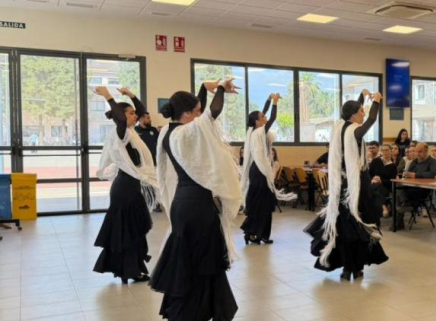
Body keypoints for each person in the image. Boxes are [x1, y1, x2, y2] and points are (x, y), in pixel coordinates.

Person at [150, 79, 243, 321]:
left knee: (190, 258)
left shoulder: (168, 133)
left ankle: (197, 309)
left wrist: (203, 87)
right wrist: (221, 88)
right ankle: (197, 310)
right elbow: (211, 114)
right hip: (198, 207)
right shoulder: (186, 132)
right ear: (189, 113)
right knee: (203, 259)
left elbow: (201, 116)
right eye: (197, 111)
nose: (200, 115)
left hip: (183, 203)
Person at [305, 90, 387, 281]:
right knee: (356, 226)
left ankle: (349, 268)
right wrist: (376, 102)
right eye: (361, 111)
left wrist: (360, 96)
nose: (363, 113)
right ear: (353, 114)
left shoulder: (340, 127)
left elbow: (349, 113)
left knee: (346, 227)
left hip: (343, 185)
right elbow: (371, 120)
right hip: (355, 187)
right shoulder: (354, 131)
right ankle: (354, 267)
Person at [92, 86, 157, 284]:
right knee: (128, 230)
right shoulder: (121, 133)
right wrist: (108, 96)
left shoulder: (130, 132)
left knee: (134, 229)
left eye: (134, 114)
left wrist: (132, 96)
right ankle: (129, 269)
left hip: (130, 186)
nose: (135, 116)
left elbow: (141, 110)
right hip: (125, 189)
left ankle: (133, 268)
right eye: (131, 113)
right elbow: (120, 118)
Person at [240, 93, 296, 245]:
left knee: (261, 204)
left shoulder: (252, 130)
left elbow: (263, 115)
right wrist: (276, 103)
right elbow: (272, 118)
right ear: (258, 121)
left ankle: (257, 234)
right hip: (260, 172)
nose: (264, 118)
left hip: (256, 171)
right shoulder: (259, 131)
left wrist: (268, 99)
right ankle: (256, 233)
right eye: (262, 117)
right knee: (263, 204)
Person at [375, 143, 397, 217]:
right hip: (373, 184)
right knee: (374, 186)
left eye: (387, 150)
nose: (385, 152)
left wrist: (381, 180)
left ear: (391, 151)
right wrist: (373, 179)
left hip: (386, 187)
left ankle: (383, 207)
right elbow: (370, 173)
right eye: (383, 150)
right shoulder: (376, 161)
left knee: (377, 187)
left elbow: (392, 180)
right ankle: (384, 207)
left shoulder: (393, 166)